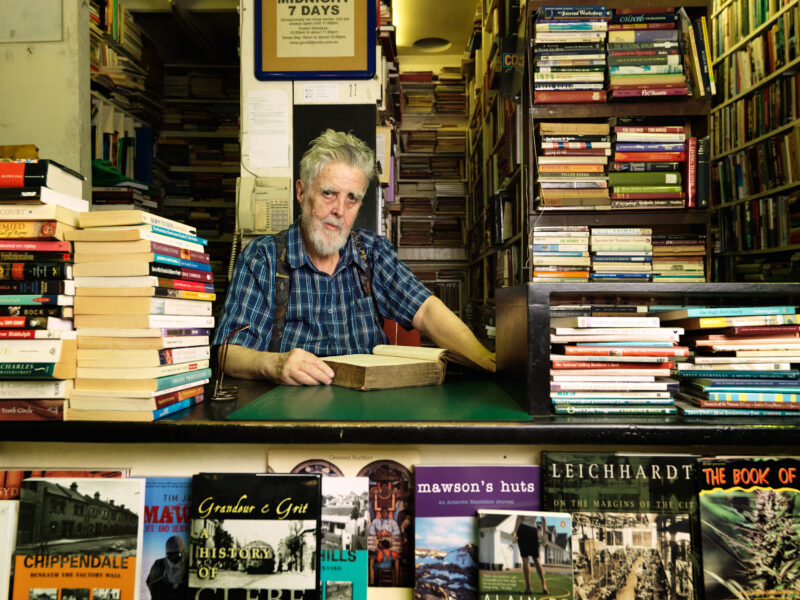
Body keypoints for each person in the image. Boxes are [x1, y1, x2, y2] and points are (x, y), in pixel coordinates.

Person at [214, 129, 496, 384]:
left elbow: (426, 310)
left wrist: (486, 360)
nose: (340, 210)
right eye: (328, 193)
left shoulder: (373, 252)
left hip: (367, 408)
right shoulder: (262, 258)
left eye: (352, 198)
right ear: (301, 192)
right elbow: (227, 353)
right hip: (288, 409)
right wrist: (274, 365)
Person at [513, 516, 548, 596]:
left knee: (525, 559)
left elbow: (520, 518)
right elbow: (543, 519)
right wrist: (544, 535)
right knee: (536, 559)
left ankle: (528, 587)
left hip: (523, 530)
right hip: (533, 530)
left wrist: (514, 533)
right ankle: (544, 585)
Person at [146, 536, 188, 600]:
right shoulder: (158, 565)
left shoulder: (190, 563)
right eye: (170, 555)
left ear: (183, 552)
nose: (173, 558)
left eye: (176, 555)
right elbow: (150, 583)